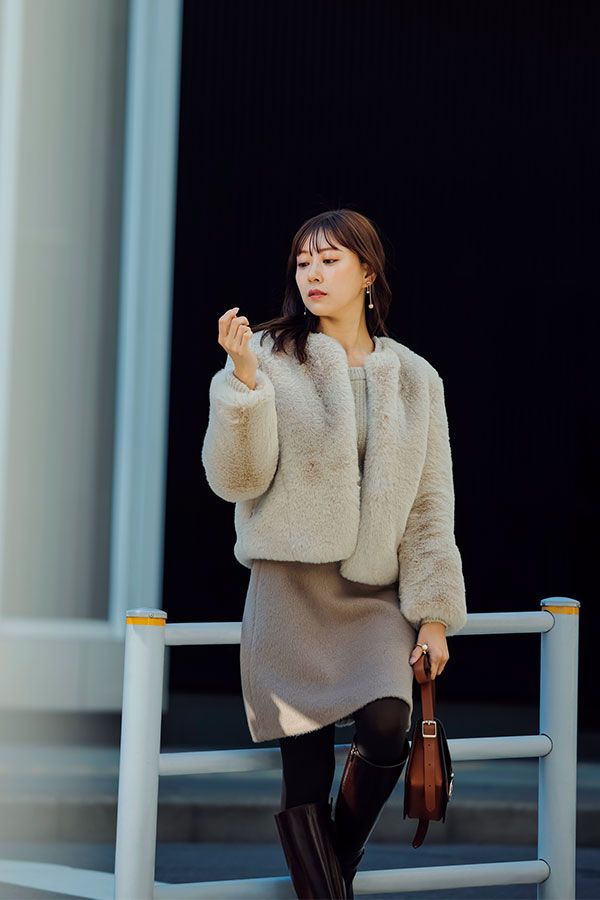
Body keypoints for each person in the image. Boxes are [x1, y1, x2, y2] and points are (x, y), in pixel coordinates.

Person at [201, 208, 467, 899]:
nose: (312, 274)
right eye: (302, 262)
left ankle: (326, 884)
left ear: (368, 272)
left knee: (387, 723)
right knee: (305, 773)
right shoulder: (266, 354)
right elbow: (236, 480)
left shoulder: (417, 379)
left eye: (329, 260)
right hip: (291, 589)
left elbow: (429, 507)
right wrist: (243, 384)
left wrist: (434, 614)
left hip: (375, 592)